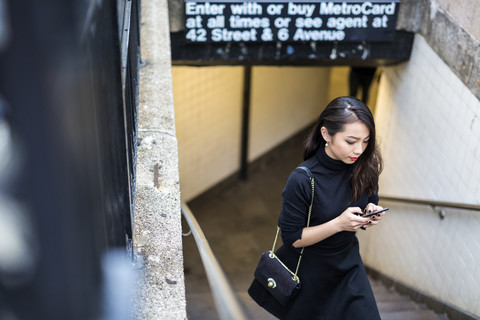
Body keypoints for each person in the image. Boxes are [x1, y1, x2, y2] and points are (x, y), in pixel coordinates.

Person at [276, 96, 385, 319]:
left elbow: (372, 197)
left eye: (366, 141)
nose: (359, 149)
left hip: (348, 264)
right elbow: (292, 238)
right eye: (351, 141)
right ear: (326, 134)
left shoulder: (366, 166)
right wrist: (338, 224)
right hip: (310, 271)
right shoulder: (303, 179)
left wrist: (371, 211)